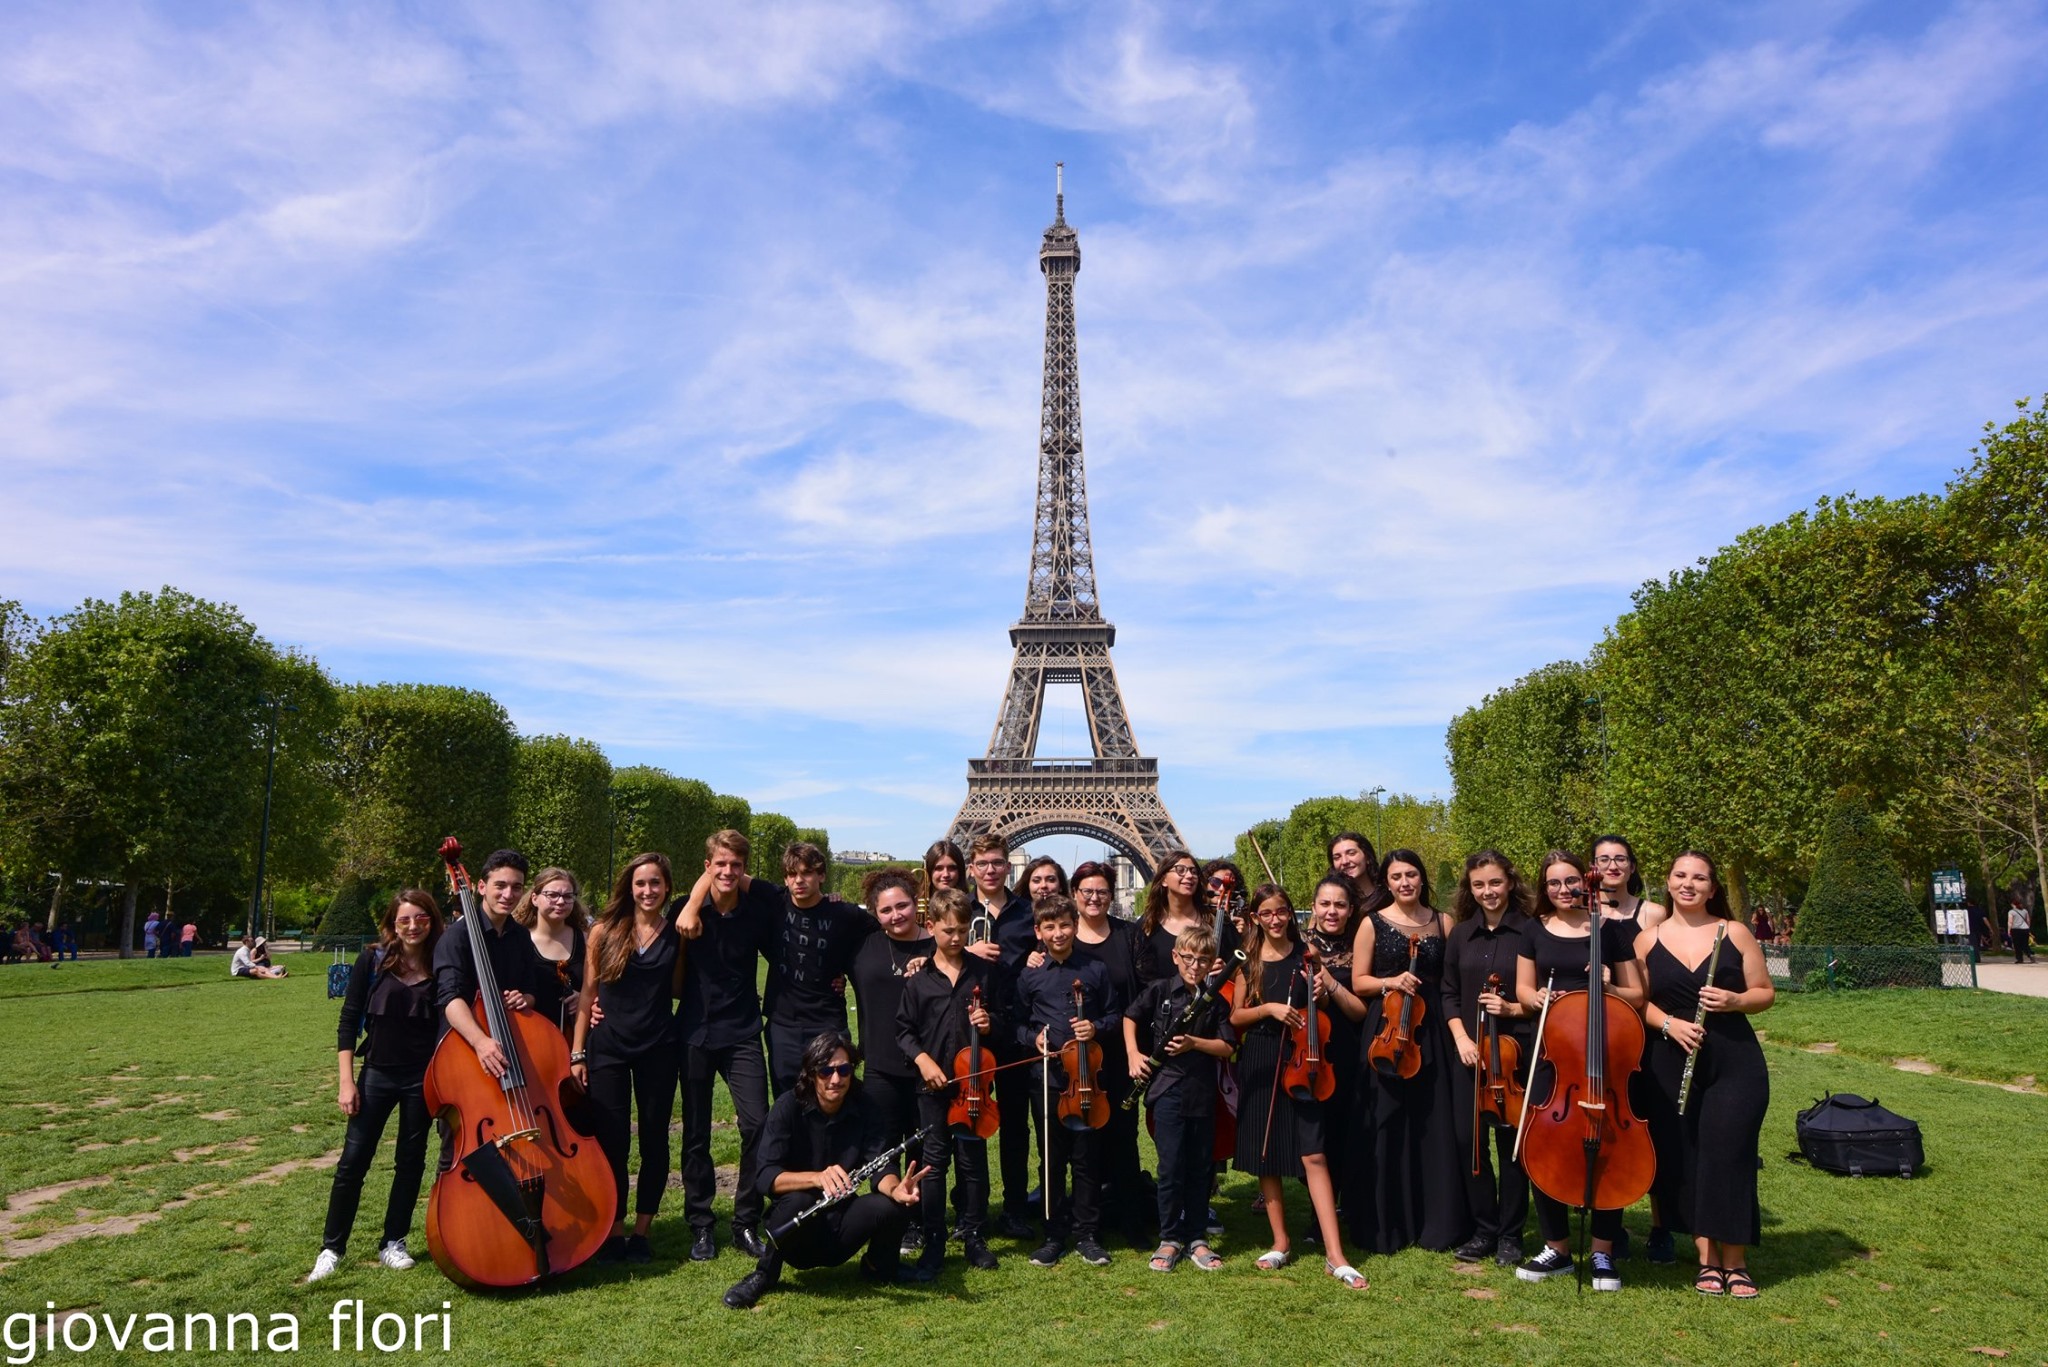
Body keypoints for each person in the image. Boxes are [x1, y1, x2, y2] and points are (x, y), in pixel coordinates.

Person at [1636, 851, 1774, 1300]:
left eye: (1699, 878)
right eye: (1680, 876)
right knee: (1688, 1156)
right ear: (1668, 883)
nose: (1688, 884)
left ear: (1713, 888)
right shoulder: (1647, 940)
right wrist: (1670, 1024)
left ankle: (1736, 1262)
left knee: (1728, 1155)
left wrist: (1735, 1002)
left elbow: (1764, 992)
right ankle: (1706, 1261)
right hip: (1669, 1059)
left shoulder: (1732, 932)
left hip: (1734, 1062)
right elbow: (1639, 1002)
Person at [1513, 850, 1646, 1292]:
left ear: (1583, 882)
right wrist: (1536, 1001)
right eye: (1553, 883)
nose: (1564, 890)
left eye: (1571, 881)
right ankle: (1558, 1248)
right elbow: (1524, 989)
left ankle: (1604, 1251)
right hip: (1556, 1054)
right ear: (1544, 887)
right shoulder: (1533, 930)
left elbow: (1638, 995)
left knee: (1611, 1149)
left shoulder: (1614, 929)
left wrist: (1608, 984)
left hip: (1606, 1057)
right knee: (1544, 1147)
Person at [721, 1032, 931, 1309]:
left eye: (844, 1070)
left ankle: (880, 1266)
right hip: (796, 1231)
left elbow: (881, 1165)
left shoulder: (866, 1107)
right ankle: (764, 1274)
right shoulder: (787, 1108)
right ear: (810, 1073)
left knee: (892, 1204)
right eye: (826, 1071)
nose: (836, 1079)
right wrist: (816, 1178)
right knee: (799, 1199)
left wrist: (895, 1189)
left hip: (843, 1225)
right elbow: (765, 1178)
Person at [1230, 885, 1367, 1289]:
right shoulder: (1248, 962)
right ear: (1256, 918)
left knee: (1315, 1155)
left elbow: (1323, 1009)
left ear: (1291, 914)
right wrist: (1267, 1008)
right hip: (1261, 1055)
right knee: (1267, 1155)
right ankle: (1280, 1241)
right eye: (1267, 913)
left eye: (1282, 912)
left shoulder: (1308, 956)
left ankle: (1334, 1254)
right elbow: (1236, 1016)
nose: (1275, 920)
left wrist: (1321, 994)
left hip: (1305, 1060)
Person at [310, 890, 444, 1281]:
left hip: (423, 1077)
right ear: (392, 923)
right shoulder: (372, 959)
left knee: (411, 1160)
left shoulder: (441, 963)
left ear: (432, 921)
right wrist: (346, 1082)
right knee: (352, 1163)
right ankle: (331, 1248)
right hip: (377, 1075)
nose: (413, 926)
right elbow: (348, 1021)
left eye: (421, 918)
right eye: (404, 919)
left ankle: (393, 1242)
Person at [1350, 848, 1466, 1255]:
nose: (1405, 882)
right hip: (1388, 1027)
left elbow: (1453, 980)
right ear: (1387, 882)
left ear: (1422, 878)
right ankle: (1388, 1225)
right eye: (1397, 876)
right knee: (1387, 1123)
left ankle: (1437, 1224)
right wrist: (1392, 981)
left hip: (1430, 1029)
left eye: (1412, 875)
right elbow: (1359, 982)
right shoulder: (1371, 923)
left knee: (1433, 1125)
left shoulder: (1443, 921)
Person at [572, 853, 684, 1265]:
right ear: (629, 887)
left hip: (658, 1047)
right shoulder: (603, 931)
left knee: (655, 1138)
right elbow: (588, 996)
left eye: (656, 883)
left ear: (667, 887)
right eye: (641, 883)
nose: (648, 891)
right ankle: (613, 1229)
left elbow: (679, 988)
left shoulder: (677, 935)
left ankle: (642, 1232)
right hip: (609, 1048)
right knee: (611, 1141)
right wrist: (577, 1052)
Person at [672, 830, 779, 1261]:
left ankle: (745, 1221)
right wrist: (696, 900)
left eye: (736, 864)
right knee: (696, 1133)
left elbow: (780, 904)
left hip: (741, 1031)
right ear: (707, 866)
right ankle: (701, 1224)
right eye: (720, 864)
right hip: (695, 1031)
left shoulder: (756, 909)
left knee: (757, 1124)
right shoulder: (685, 909)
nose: (728, 871)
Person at [897, 888, 1003, 1277]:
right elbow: (903, 1031)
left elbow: (1006, 1020)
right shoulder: (918, 980)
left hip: (973, 1085)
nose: (956, 938)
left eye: (962, 930)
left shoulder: (984, 974)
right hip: (933, 1086)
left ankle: (973, 1233)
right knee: (935, 1162)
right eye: (947, 931)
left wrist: (991, 1023)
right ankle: (935, 1237)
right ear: (931, 928)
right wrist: (923, 1061)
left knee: (973, 1161)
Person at [1016, 894, 1121, 1268]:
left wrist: (1096, 1026)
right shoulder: (1029, 974)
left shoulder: (1095, 969)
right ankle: (1053, 1233)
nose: (1058, 933)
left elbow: (1113, 1015)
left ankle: (1087, 1233)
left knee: (1086, 1157)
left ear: (1075, 926)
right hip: (1046, 1078)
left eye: (1064, 925)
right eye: (1049, 927)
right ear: (1038, 932)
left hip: (1087, 1078)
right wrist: (1034, 1039)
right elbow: (1018, 1023)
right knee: (1051, 1158)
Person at [1441, 851, 1535, 1267]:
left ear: (1510, 883)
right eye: (1479, 885)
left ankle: (1511, 1234)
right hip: (1469, 1054)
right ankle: (1484, 1229)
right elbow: (1448, 993)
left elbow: (1540, 996)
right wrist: (1461, 1037)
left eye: (1494, 883)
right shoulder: (1461, 934)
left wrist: (1513, 1008)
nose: (1487, 892)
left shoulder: (1531, 932)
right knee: (1470, 1142)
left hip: (1515, 1053)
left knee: (1512, 1144)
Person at [1124, 924, 1231, 1272]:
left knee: (1201, 1168)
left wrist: (1193, 1043)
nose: (1195, 965)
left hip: (1202, 1093)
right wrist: (1133, 1054)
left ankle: (1197, 1237)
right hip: (1166, 1089)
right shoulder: (1159, 991)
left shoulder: (1216, 1001)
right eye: (1188, 958)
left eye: (1203, 960)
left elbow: (1228, 1045)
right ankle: (1170, 1238)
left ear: (1212, 962)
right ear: (1175, 957)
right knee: (1170, 1168)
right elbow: (1130, 1017)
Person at [847, 870, 933, 1256]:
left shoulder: (940, 945)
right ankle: (886, 1215)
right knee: (882, 1148)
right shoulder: (863, 946)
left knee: (923, 1149)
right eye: (886, 910)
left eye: (902, 906)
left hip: (927, 1066)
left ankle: (918, 1220)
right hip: (880, 1064)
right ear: (874, 913)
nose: (896, 915)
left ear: (916, 903)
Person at [756, 842, 876, 1097]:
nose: (799, 880)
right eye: (792, 874)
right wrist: (690, 907)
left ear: (821, 875)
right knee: (787, 1101)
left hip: (827, 1021)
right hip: (783, 1024)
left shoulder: (844, 913)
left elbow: (891, 929)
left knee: (832, 1098)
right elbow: (724, 870)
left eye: (807, 872)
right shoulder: (775, 901)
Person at [963, 833, 1039, 1238]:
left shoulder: (1027, 913)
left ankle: (1013, 1208)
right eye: (982, 863)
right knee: (965, 1119)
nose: (990, 869)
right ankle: (968, 1210)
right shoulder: (962, 910)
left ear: (1008, 867)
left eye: (996, 862)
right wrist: (967, 950)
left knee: (1014, 1124)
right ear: (971, 868)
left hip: (1011, 1027)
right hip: (969, 1025)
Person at [1072, 859, 1151, 1246]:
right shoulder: (1060, 938)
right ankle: (1089, 1221)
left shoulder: (1129, 935)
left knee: (1123, 1134)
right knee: (1084, 1140)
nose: (1095, 897)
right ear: (1074, 895)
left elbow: (1145, 989)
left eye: (1102, 891)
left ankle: (1131, 1216)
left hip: (1121, 1051)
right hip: (1076, 1059)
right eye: (1087, 891)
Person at [1302, 872, 1368, 1224]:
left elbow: (1359, 1011)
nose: (1332, 911)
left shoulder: (1358, 948)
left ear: (1350, 909)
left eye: (1339, 905)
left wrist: (1326, 978)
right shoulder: (1296, 945)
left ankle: (1331, 1210)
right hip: (1304, 1052)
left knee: (1341, 1132)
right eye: (1325, 904)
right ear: (1313, 907)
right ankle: (1316, 1206)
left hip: (1345, 1050)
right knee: (1311, 1137)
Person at [515, 867, 589, 1036]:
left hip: (578, 1037)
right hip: (531, 1035)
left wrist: (584, 999)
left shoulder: (587, 940)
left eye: (567, 896)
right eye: (552, 895)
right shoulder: (519, 941)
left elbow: (601, 988)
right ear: (534, 898)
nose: (561, 901)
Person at [1137, 850, 1205, 984]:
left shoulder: (1215, 922)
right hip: (1161, 1003)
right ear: (1163, 879)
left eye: (1193, 871)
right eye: (1180, 870)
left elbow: (1243, 968)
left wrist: (1227, 970)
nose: (1189, 875)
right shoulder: (1147, 925)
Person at [1329, 831, 1388, 913]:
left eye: (1351, 853)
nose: (1345, 861)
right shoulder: (1331, 902)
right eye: (1337, 857)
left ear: (1367, 857)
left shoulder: (1388, 897)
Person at [2009, 891, 2035, 964]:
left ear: (2013, 905)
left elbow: (2010, 921)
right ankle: (2030, 955)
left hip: (2016, 929)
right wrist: (2028, 928)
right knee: (2025, 944)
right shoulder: (2025, 911)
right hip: (2025, 929)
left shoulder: (2011, 912)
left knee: (2017, 945)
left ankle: (2020, 959)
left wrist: (2009, 929)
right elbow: (2028, 920)